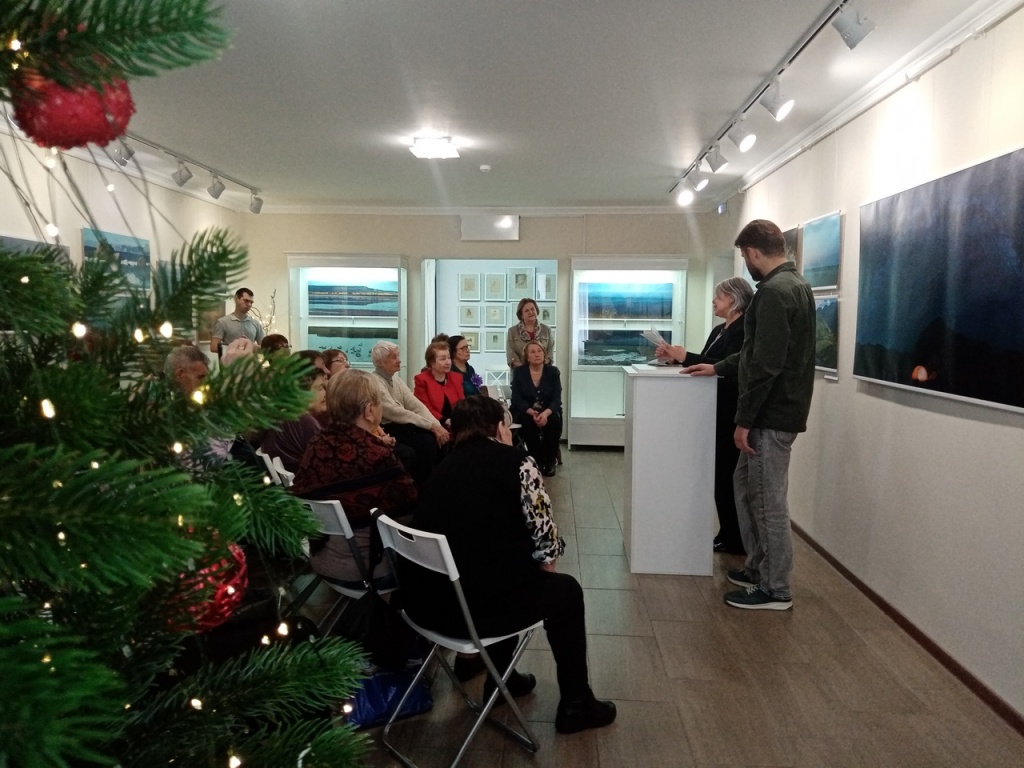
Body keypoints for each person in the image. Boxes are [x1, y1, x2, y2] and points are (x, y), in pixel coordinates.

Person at [402, 396, 616, 734]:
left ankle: (502, 679)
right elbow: (546, 540)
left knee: (499, 571)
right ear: (501, 427)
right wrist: (546, 560)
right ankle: (577, 703)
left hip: (425, 608)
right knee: (564, 591)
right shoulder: (517, 463)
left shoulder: (440, 468)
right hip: (476, 613)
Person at [684, 220, 815, 611]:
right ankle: (758, 567)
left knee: (767, 501)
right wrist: (717, 366)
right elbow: (756, 353)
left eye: (745, 256)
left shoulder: (774, 292)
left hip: (770, 416)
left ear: (754, 252)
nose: (746, 263)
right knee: (745, 485)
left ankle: (776, 588)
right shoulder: (796, 285)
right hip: (778, 411)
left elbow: (765, 365)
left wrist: (744, 420)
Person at [655, 277, 754, 556]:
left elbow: (729, 367)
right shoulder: (719, 330)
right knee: (719, 476)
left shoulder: (744, 330)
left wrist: (685, 356)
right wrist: (677, 358)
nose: (714, 301)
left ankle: (736, 538)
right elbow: (707, 364)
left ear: (734, 300)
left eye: (719, 297)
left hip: (729, 409)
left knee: (727, 476)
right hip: (712, 408)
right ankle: (728, 533)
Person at [292, 369, 417, 588]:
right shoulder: (376, 456)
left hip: (321, 558)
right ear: (369, 411)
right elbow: (409, 517)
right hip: (368, 568)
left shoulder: (317, 445)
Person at [370, 341, 449, 485]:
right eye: (394, 357)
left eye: (398, 355)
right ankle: (421, 488)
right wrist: (431, 426)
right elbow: (396, 412)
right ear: (380, 362)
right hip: (387, 427)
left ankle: (437, 485)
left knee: (440, 439)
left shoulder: (397, 380)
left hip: (402, 425)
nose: (399, 360)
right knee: (424, 444)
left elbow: (416, 405)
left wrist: (437, 426)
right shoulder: (374, 382)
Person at [260, 365, 326, 474]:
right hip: (304, 479)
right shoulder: (306, 422)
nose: (324, 393)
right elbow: (326, 462)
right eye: (319, 388)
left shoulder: (284, 415)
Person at [510, 340, 562, 477]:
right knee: (527, 422)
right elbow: (516, 398)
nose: (537, 354)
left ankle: (550, 462)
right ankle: (537, 461)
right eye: (532, 352)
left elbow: (557, 399)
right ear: (527, 357)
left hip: (548, 410)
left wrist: (545, 414)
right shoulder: (519, 372)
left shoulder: (553, 372)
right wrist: (531, 412)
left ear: (544, 354)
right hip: (525, 410)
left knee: (553, 421)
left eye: (539, 351)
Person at [413, 341, 464, 429]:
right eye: (443, 359)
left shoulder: (456, 378)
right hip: (434, 424)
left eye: (449, 358)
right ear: (431, 362)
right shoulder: (422, 380)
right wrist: (445, 421)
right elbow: (424, 408)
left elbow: (462, 403)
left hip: (457, 423)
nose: (448, 362)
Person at [211, 288, 265, 356]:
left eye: (251, 302)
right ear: (236, 299)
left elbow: (265, 349)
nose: (249, 304)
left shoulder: (255, 323)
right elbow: (214, 347)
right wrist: (239, 347)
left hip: (251, 362)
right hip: (231, 362)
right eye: (246, 301)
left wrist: (252, 346)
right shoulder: (222, 322)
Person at [506, 298, 554, 368]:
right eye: (526, 311)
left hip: (543, 372)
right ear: (521, 315)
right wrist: (527, 371)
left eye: (532, 309)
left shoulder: (547, 330)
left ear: (536, 310)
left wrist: (539, 369)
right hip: (520, 373)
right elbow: (511, 356)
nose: (531, 312)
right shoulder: (512, 332)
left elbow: (549, 354)